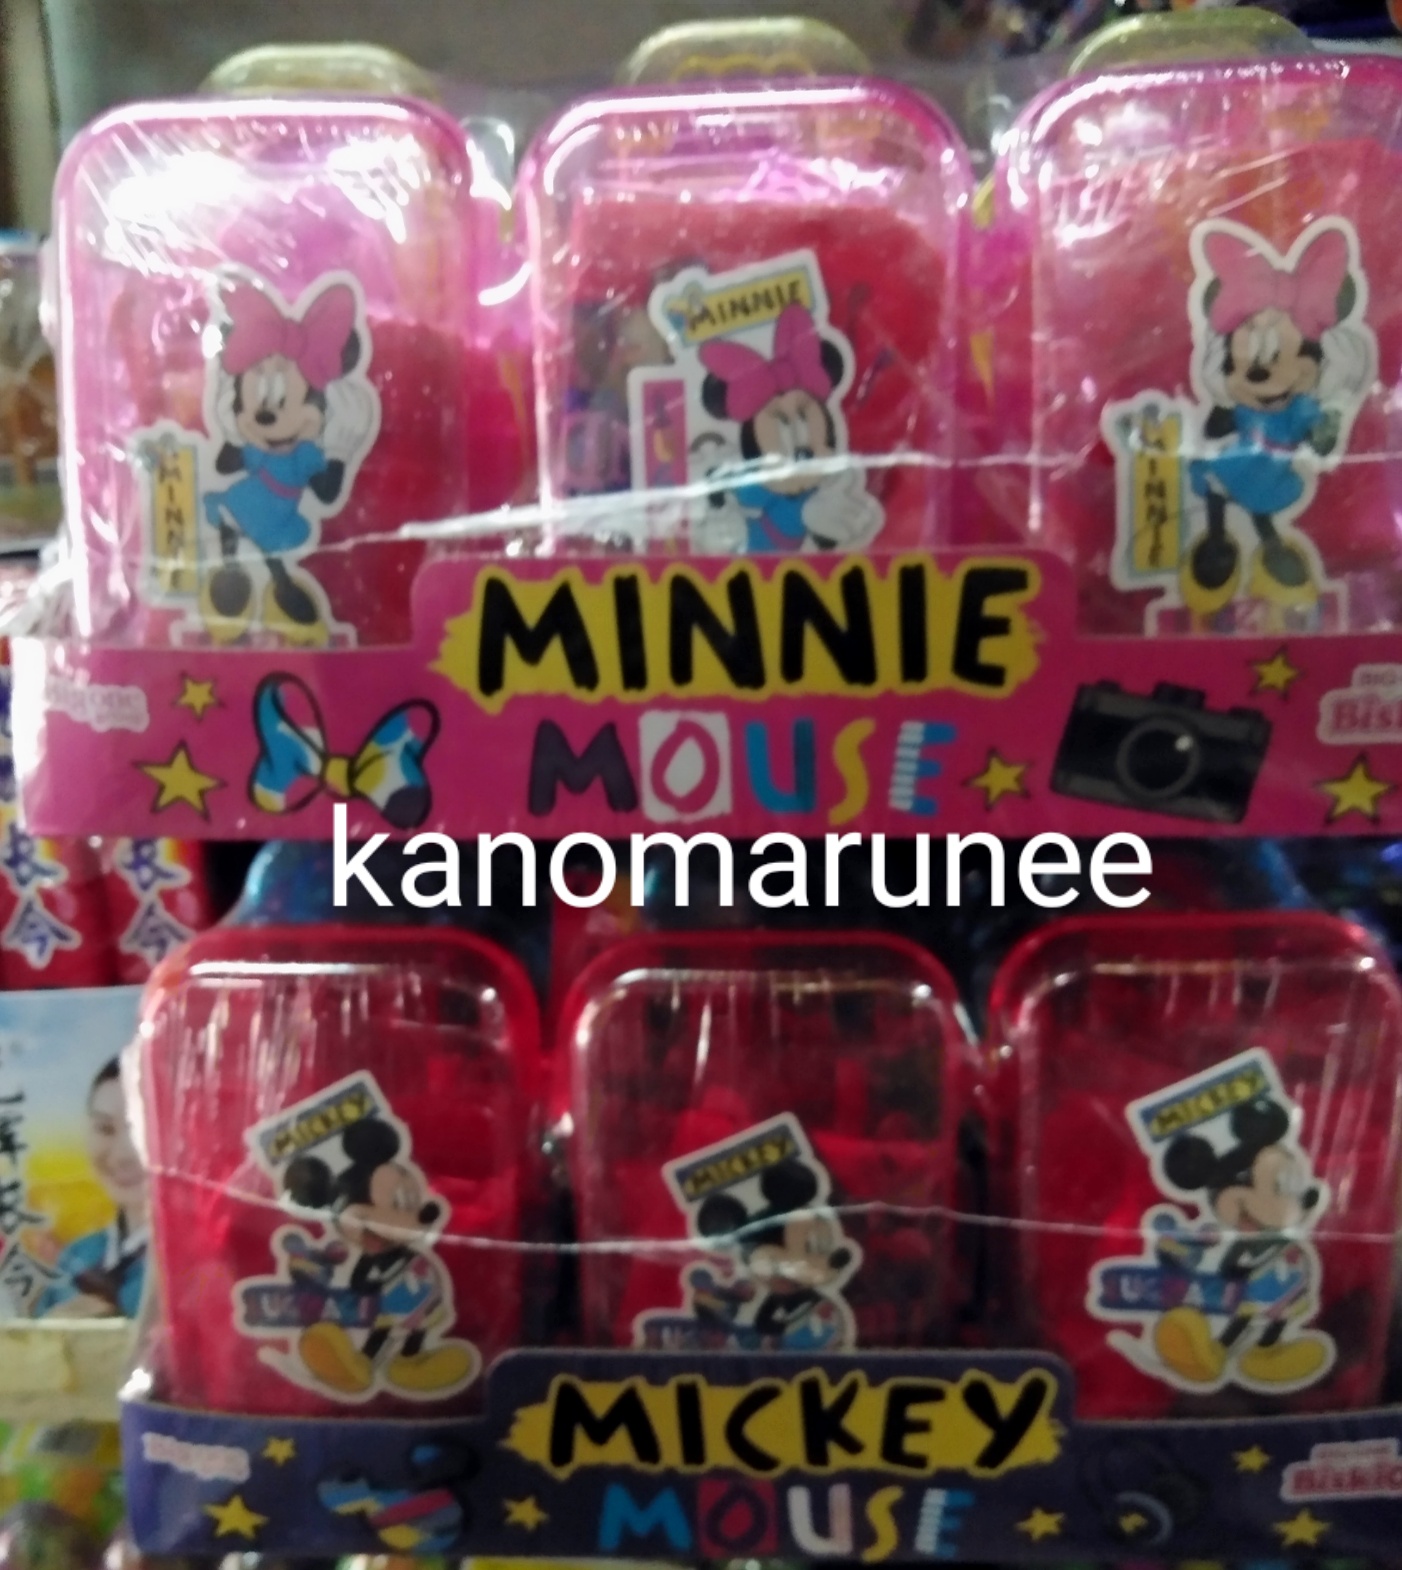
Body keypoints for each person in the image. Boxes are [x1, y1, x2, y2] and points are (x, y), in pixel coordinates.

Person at [36, 1059, 147, 1319]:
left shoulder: (199, 1265)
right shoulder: (77, 1255)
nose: (122, 1155)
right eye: (105, 1129)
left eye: (144, 1130)